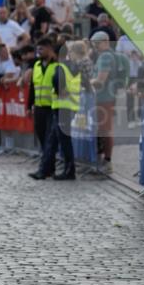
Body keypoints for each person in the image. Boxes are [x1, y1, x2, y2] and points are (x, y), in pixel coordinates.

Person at [30, 40, 84, 181]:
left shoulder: (62, 67)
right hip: (69, 106)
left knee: (63, 140)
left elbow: (57, 82)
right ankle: (46, 169)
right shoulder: (74, 66)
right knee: (54, 140)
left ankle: (69, 170)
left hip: (62, 107)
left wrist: (60, 91)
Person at [90, 31, 117, 172]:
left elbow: (100, 81)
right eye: (93, 44)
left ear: (105, 41)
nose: (94, 47)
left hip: (104, 98)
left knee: (105, 129)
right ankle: (103, 160)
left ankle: (107, 161)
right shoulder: (104, 56)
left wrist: (88, 82)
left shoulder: (106, 56)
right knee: (101, 129)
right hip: (102, 98)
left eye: (97, 43)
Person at [26, 37, 57, 163]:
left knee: (50, 137)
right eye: (37, 49)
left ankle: (46, 166)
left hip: (52, 107)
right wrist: (29, 106)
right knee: (41, 135)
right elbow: (33, 87)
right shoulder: (37, 65)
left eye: (41, 49)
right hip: (39, 107)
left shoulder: (56, 65)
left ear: (49, 49)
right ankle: (47, 164)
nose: (38, 52)